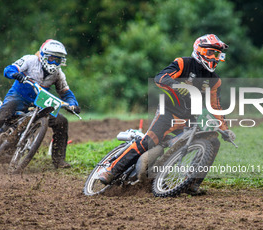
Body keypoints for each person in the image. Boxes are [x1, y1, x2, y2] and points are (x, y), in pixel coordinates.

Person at [99, 34, 236, 187]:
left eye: (217, 54)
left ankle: (192, 183)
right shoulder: (183, 63)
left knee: (212, 140)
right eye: (211, 53)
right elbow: (160, 77)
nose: (215, 57)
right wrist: (178, 86)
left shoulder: (215, 80)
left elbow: (215, 106)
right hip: (168, 111)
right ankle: (111, 169)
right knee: (149, 141)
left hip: (190, 119)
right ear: (200, 50)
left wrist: (225, 129)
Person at [0, 39, 80, 169]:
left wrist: (73, 104)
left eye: (58, 60)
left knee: (61, 122)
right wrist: (16, 74)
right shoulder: (30, 60)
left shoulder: (58, 74)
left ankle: (59, 160)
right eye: (52, 59)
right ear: (43, 55)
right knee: (1, 117)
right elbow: (9, 69)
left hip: (39, 104)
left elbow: (66, 93)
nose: (54, 63)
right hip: (18, 97)